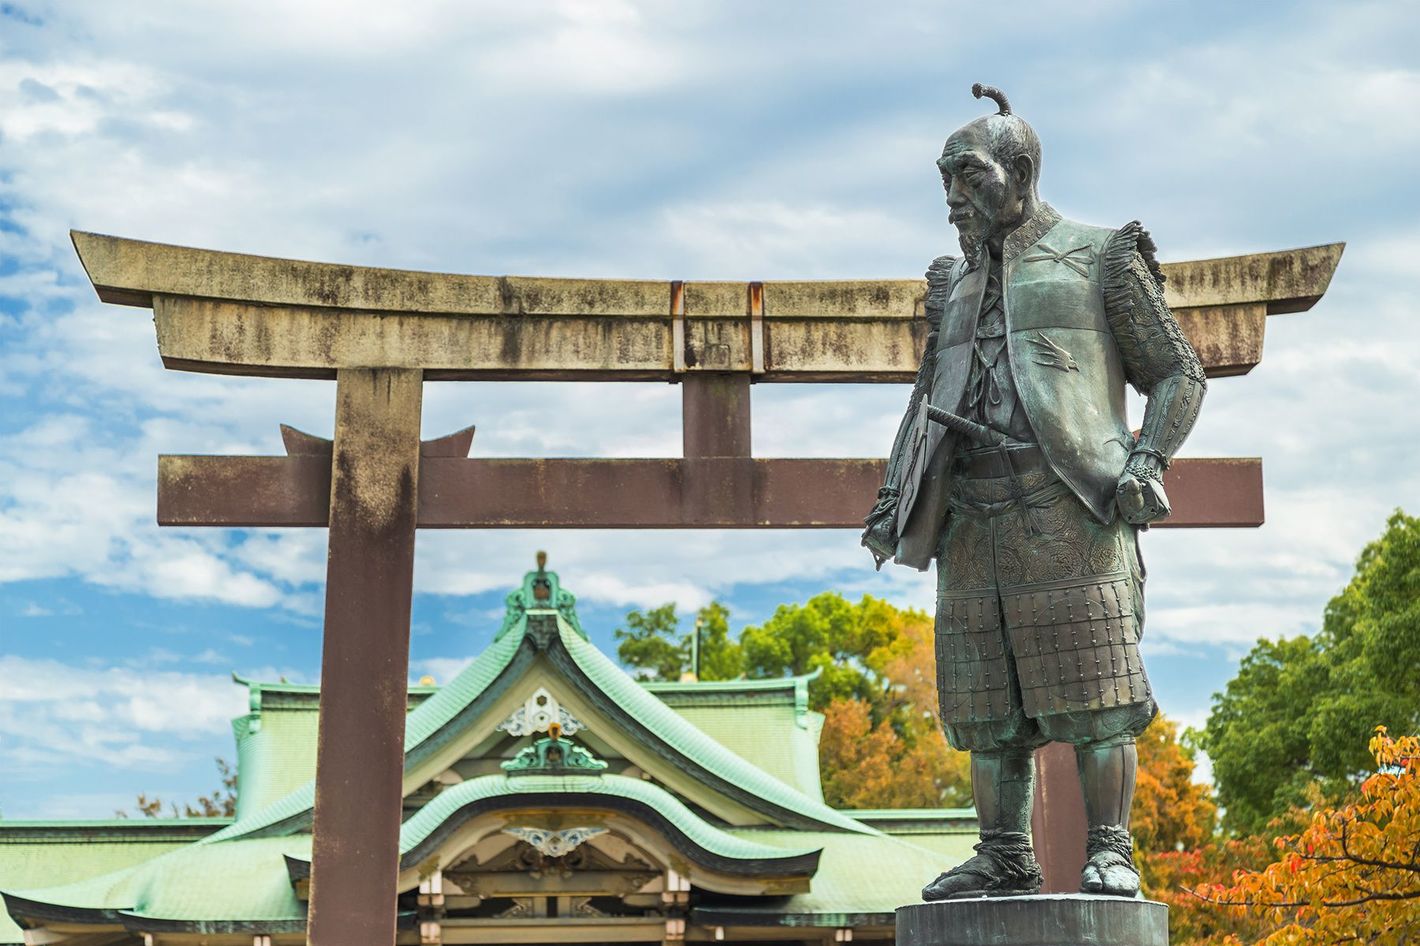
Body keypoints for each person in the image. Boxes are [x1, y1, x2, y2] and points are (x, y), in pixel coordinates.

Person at [861, 84, 1206, 899]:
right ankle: (1003, 851)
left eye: (967, 176)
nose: (952, 197)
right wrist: (898, 493)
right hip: (969, 517)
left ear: (1018, 172)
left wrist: (1146, 463)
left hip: (1072, 507)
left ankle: (1112, 847)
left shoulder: (1101, 255)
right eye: (944, 179)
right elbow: (927, 396)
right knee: (985, 710)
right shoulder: (953, 282)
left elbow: (1178, 373)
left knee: (1099, 695)